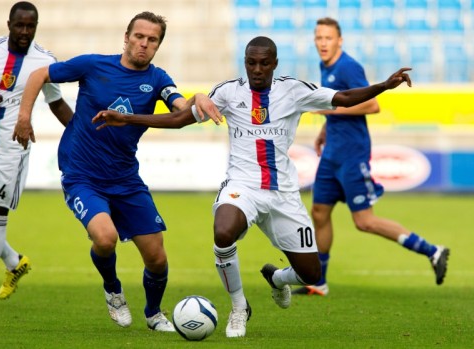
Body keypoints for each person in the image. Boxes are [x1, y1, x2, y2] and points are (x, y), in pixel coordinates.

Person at [90, 36, 413, 338]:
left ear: (274, 63)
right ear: (245, 62)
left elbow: (342, 98)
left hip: (284, 193)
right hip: (242, 186)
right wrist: (128, 118)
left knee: (311, 274)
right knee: (223, 231)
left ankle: (277, 278)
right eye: (251, 63)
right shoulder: (229, 92)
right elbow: (181, 119)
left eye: (264, 63)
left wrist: (384, 85)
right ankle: (239, 306)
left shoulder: (295, 90)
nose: (257, 69)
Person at [12, 11, 221, 331]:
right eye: (139, 36)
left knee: (157, 258)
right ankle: (113, 290)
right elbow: (40, 74)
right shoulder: (93, 65)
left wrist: (199, 98)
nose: (144, 44)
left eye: (152, 40)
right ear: (126, 37)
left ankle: (153, 314)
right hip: (81, 174)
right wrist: (24, 117)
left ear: (157, 46)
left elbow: (180, 108)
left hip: (125, 178)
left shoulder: (157, 79)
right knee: (105, 238)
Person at [292, 17, 449, 297]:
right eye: (318, 38)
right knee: (319, 212)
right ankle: (319, 282)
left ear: (339, 41)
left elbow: (372, 104)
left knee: (364, 221)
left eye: (328, 38)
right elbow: (339, 101)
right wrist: (325, 131)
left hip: (353, 154)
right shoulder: (324, 66)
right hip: (332, 154)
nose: (322, 43)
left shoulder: (349, 66)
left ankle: (432, 251)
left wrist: (328, 113)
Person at [0, 1, 73, 300]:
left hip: (11, 148)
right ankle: (14, 262)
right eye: (20, 25)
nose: (25, 31)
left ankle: (13, 262)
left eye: (31, 26)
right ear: (9, 24)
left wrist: (83, 135)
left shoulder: (44, 61)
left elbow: (56, 103)